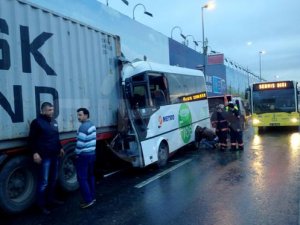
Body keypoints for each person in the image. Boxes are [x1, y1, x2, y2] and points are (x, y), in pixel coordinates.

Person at [29, 102, 64, 214]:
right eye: (49, 110)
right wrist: (35, 153)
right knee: (44, 182)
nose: (52, 112)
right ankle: (41, 205)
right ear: (42, 111)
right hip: (44, 157)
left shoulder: (54, 122)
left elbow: (56, 137)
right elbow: (31, 139)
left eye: (52, 109)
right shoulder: (37, 122)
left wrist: (60, 148)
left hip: (55, 155)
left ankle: (51, 200)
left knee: (53, 180)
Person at [75, 108, 97, 209]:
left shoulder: (83, 127)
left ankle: (88, 200)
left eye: (80, 115)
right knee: (90, 176)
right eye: (78, 115)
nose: (78, 117)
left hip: (84, 156)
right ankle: (92, 197)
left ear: (86, 115)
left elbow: (80, 144)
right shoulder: (92, 124)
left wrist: (77, 154)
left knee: (82, 178)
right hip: (92, 154)